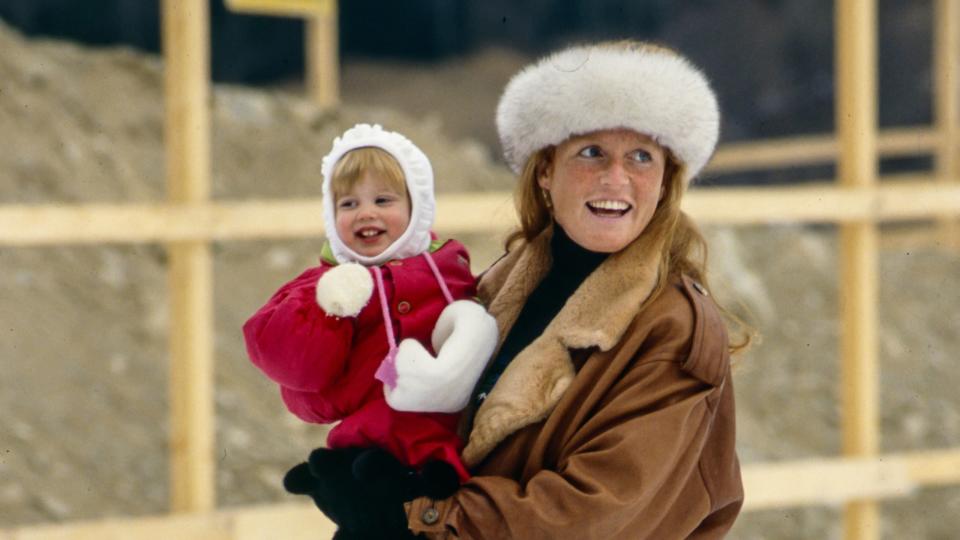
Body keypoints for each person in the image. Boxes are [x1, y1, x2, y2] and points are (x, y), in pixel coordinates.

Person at [287, 41, 747, 539]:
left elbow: (593, 515)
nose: (617, 178)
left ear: (664, 182)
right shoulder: (501, 283)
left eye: (641, 157)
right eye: (591, 152)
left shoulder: (674, 328)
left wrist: (415, 516)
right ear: (546, 171)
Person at [243, 124, 499, 527]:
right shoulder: (321, 284)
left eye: (383, 199)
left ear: (418, 208)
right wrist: (327, 307)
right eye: (347, 204)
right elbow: (295, 372)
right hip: (366, 451)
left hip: (442, 453)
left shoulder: (449, 270)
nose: (366, 213)